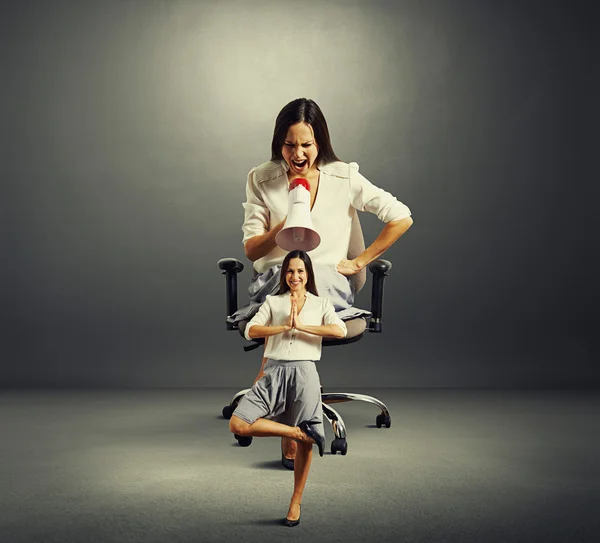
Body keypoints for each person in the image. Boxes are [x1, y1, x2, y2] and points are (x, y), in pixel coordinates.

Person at [232, 98, 413, 467]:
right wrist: (284, 226)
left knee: (290, 309)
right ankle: (293, 418)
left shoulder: (343, 176)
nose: (297, 154)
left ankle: (274, 409)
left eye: (306, 144)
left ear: (320, 142)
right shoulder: (261, 178)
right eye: (288, 144)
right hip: (276, 278)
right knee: (284, 298)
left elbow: (401, 217)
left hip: (328, 283)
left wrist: (360, 261)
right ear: (278, 143)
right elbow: (252, 249)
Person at [228, 250, 347, 527]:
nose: (295, 276)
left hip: (305, 371)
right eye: (290, 271)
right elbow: (252, 330)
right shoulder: (273, 302)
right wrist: (282, 327)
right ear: (284, 274)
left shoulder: (321, 304)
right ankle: (296, 432)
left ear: (308, 275)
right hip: (274, 370)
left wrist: (302, 326)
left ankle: (295, 501)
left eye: (300, 271)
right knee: (238, 424)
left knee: (305, 444)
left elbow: (339, 330)